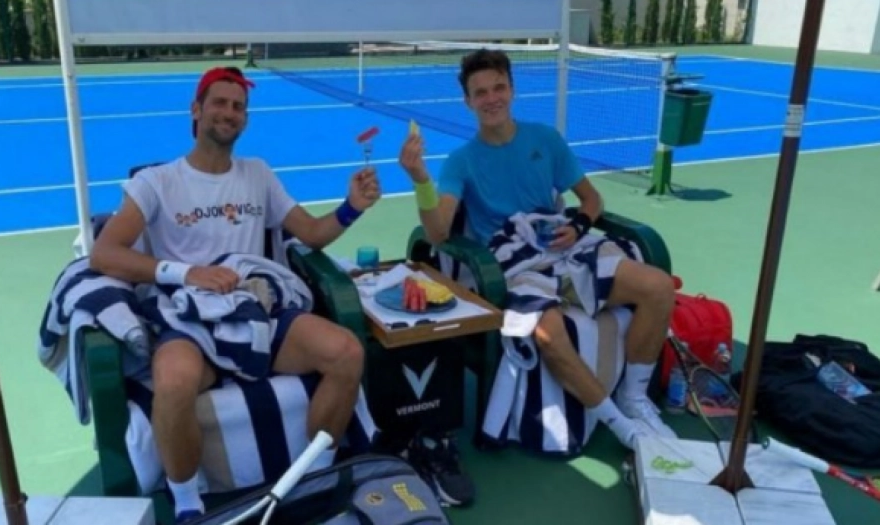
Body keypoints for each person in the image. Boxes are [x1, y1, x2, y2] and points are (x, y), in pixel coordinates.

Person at [90, 67, 381, 523]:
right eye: (220, 103)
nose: (229, 112)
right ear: (196, 110)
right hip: (189, 320)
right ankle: (188, 504)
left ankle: (311, 476)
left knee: (346, 352)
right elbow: (104, 253)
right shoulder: (156, 182)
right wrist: (188, 273)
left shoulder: (258, 174)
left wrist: (351, 209)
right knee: (173, 383)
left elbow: (311, 233)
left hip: (257, 313)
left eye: (238, 106)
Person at [397, 49, 677, 453]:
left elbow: (591, 200)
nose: (491, 98)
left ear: (512, 90)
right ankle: (622, 427)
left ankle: (634, 400)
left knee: (658, 286)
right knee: (547, 330)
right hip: (513, 263)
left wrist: (578, 225)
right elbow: (438, 232)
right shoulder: (460, 162)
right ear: (468, 101)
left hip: (567, 248)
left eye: (498, 88)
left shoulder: (545, 139)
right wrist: (420, 179)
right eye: (480, 92)